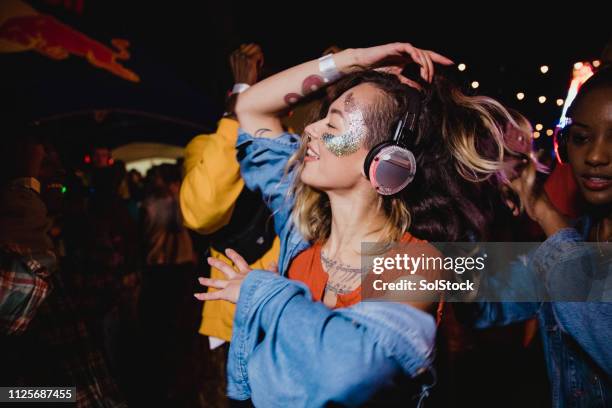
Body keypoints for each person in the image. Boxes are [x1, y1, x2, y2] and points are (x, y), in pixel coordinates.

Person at [195, 43, 516, 406]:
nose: (310, 130)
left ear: (388, 161)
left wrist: (262, 293)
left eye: (332, 124)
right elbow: (249, 106)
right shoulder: (300, 228)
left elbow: (345, 368)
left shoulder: (412, 262)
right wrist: (351, 61)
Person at [462, 66, 612, 407]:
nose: (595, 156)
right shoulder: (577, 237)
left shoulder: (561, 240)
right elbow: (479, 302)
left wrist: (543, 209)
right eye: (582, 138)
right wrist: (473, 196)